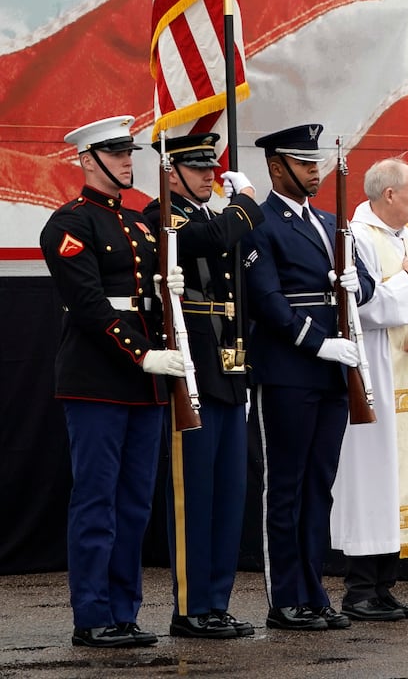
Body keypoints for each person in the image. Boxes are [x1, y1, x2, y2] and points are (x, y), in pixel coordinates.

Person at [40, 116, 185, 648]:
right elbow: (89, 305)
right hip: (99, 378)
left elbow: (146, 298)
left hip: (144, 383)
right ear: (87, 160)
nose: (128, 160)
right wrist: (143, 355)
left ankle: (124, 611)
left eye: (129, 152)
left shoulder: (141, 225)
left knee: (134, 504)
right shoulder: (69, 224)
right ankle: (93, 615)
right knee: (96, 500)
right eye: (116, 153)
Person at [243, 123, 375, 632]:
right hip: (289, 368)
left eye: (315, 161)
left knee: (320, 486)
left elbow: (360, 286)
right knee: (287, 485)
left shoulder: (329, 221)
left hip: (331, 372)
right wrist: (317, 341)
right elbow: (268, 300)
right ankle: (285, 599)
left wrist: (353, 284)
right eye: (302, 163)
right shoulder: (261, 222)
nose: (313, 170)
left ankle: (315, 592)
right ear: (277, 167)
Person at [143, 132, 263, 640]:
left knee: (228, 493)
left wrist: (239, 217)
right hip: (192, 370)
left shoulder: (215, 216)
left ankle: (217, 601)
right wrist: (244, 205)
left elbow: (246, 263)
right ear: (171, 173)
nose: (208, 174)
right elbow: (210, 243)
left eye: (210, 166)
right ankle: (190, 608)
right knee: (194, 494)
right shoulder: (163, 217)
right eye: (195, 168)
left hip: (230, 369)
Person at [331, 158, 408, 622]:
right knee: (373, 478)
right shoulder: (357, 237)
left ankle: (384, 585)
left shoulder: (401, 236)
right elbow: (365, 306)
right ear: (388, 196)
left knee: (401, 477)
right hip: (376, 371)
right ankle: (359, 589)